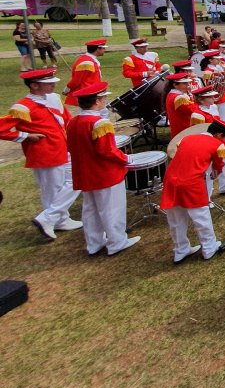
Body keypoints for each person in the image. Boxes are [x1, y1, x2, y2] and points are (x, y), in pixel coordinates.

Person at [0, 69, 81, 240]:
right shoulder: (22, 107)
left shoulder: (54, 98)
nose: (53, 84)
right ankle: (54, 220)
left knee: (76, 180)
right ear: (34, 86)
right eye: (48, 83)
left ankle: (53, 218)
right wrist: (25, 136)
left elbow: (66, 119)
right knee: (52, 189)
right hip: (45, 153)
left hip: (62, 147)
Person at [66, 81, 140, 257]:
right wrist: (125, 159)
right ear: (97, 101)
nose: (105, 100)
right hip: (105, 173)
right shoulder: (100, 123)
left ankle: (94, 243)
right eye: (103, 98)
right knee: (112, 208)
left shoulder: (74, 121)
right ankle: (117, 241)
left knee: (90, 209)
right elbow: (107, 150)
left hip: (85, 173)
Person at [161, 119, 225, 263]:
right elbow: (219, 164)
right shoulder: (217, 144)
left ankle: (180, 249)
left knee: (176, 218)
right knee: (201, 216)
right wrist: (216, 172)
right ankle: (209, 248)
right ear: (219, 134)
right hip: (191, 183)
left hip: (171, 180)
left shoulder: (187, 138)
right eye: (224, 136)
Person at [64, 38, 107, 105]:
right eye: (103, 48)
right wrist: (67, 89)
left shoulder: (90, 60)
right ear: (98, 49)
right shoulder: (86, 62)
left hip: (92, 93)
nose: (105, 50)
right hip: (88, 95)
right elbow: (76, 81)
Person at [165, 73, 199, 138]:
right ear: (175, 85)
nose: (188, 85)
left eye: (188, 83)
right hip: (184, 130)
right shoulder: (180, 98)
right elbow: (193, 110)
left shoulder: (174, 94)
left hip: (182, 129)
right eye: (184, 84)